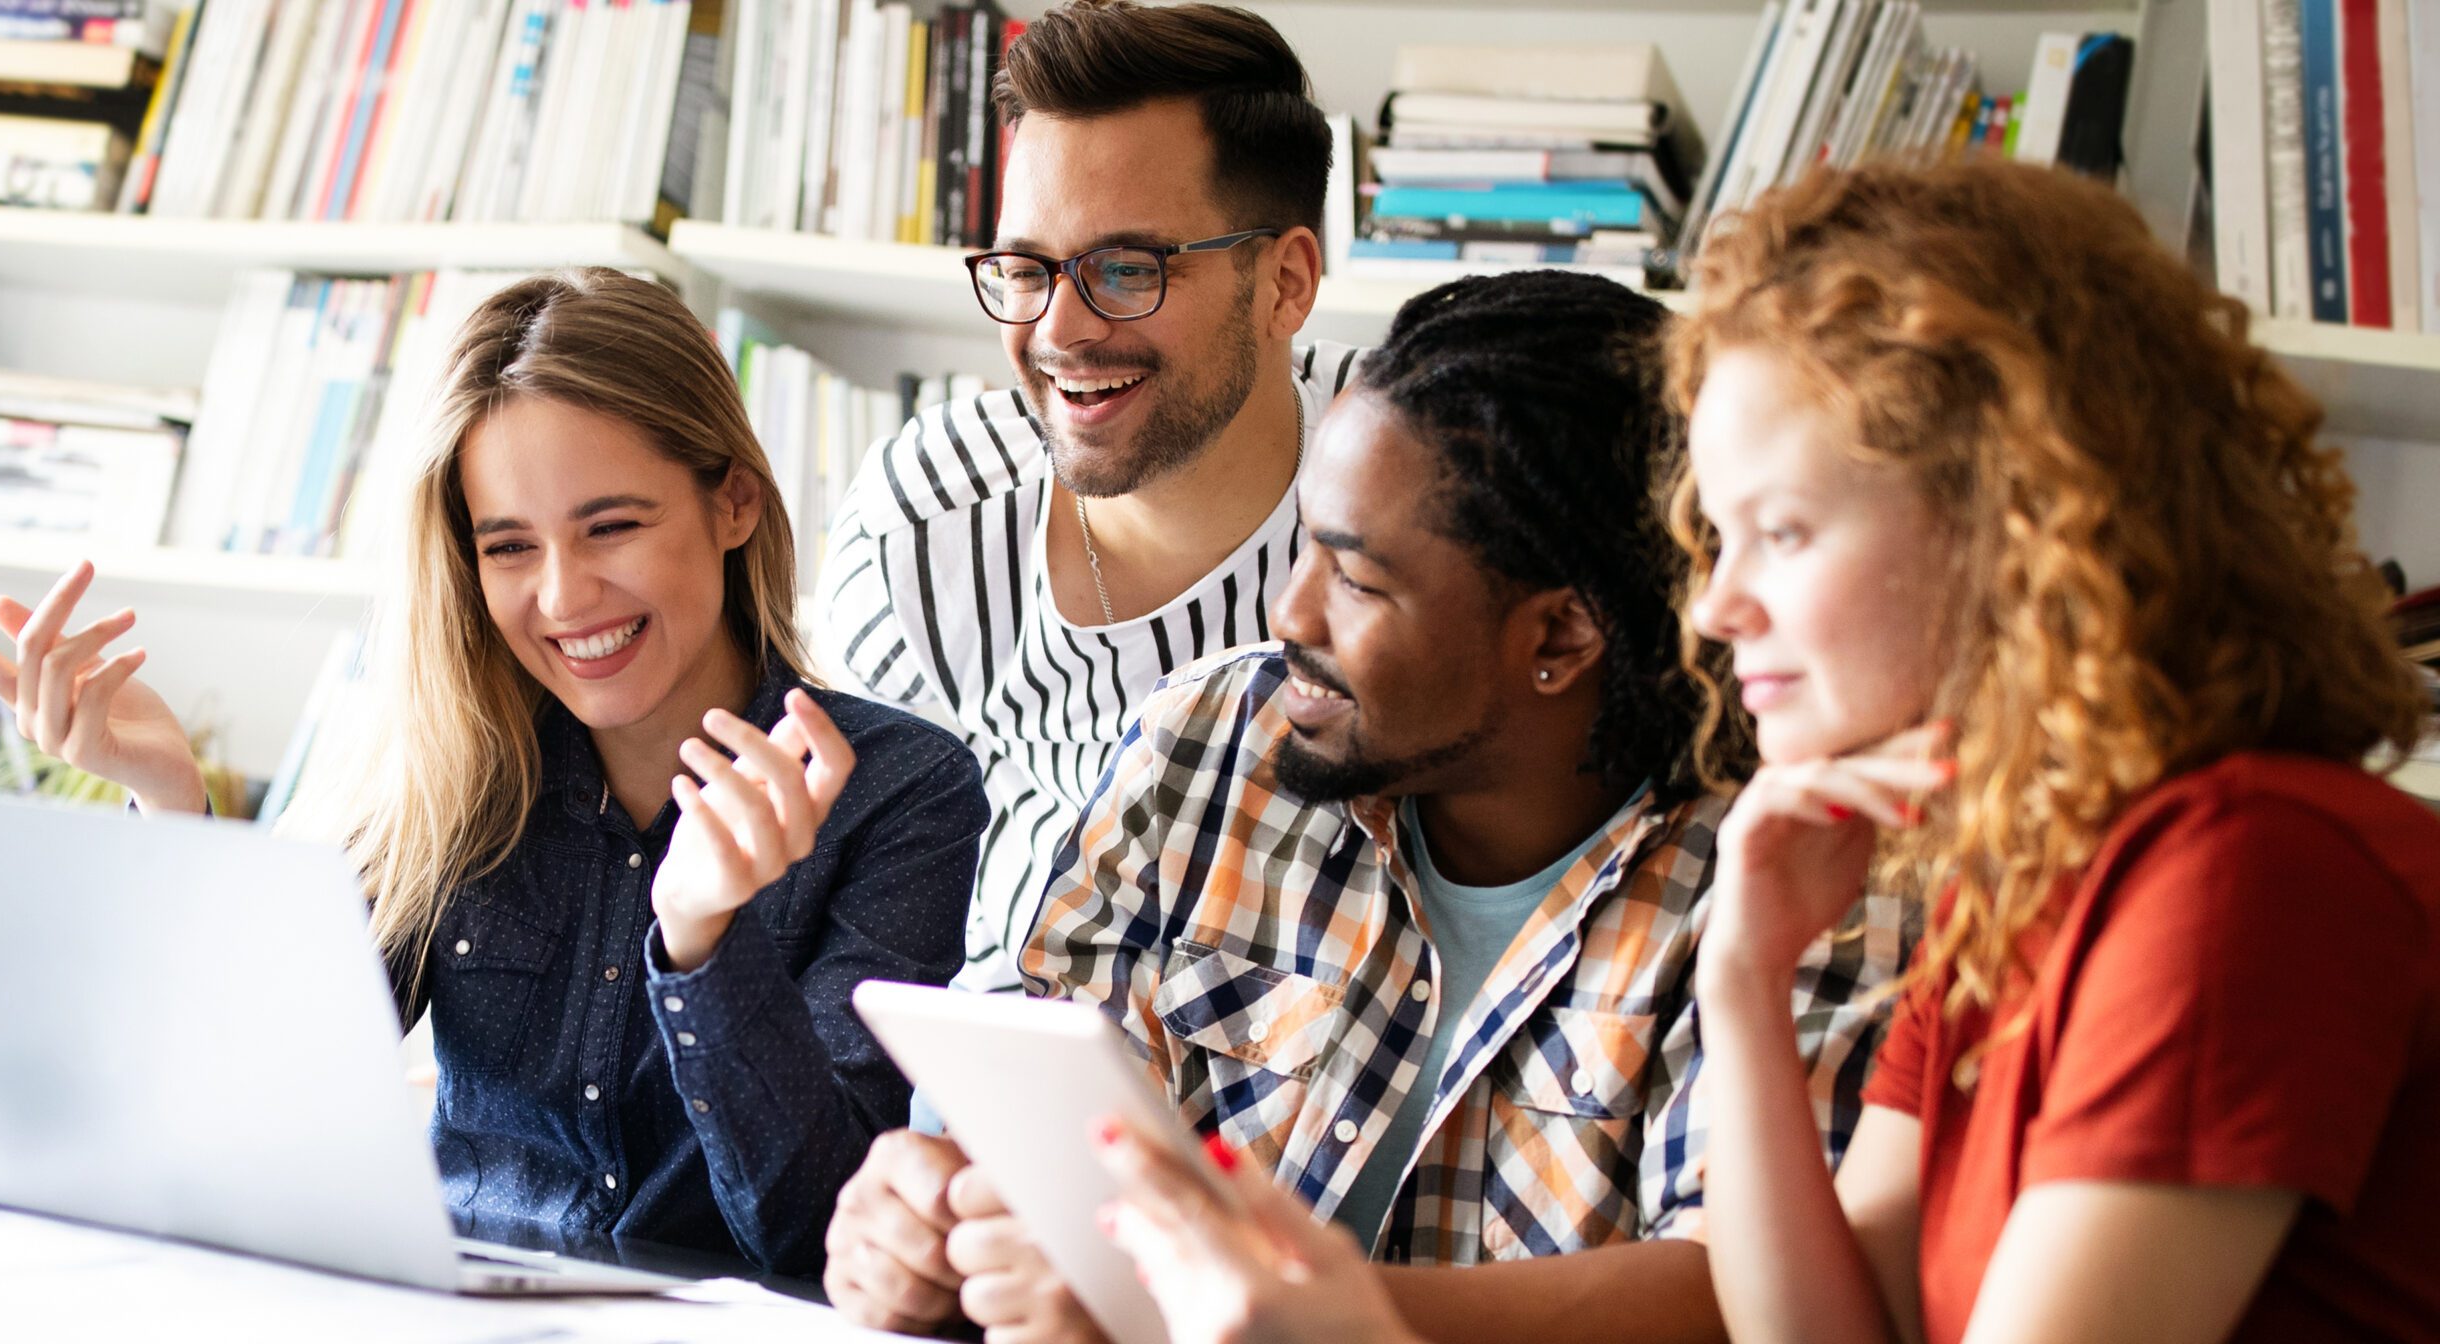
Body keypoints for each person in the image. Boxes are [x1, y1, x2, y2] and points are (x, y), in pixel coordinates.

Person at [1096, 160, 2440, 1344]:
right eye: (1716, 541)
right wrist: (1741, 978)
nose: (1717, 611)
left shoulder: (2247, 873)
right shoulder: (2024, 878)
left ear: (2021, 520)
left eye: (1782, 535)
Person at [823, 271, 1914, 1343]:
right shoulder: (1205, 741)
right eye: (1305, 542)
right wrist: (931, 1213)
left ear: (1558, 639)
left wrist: (1258, 1307)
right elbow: (1031, 1107)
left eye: (1356, 579)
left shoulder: (1788, 868)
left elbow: (1738, 1289)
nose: (1289, 609)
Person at [0, 268, 989, 1276]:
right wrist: (169, 806)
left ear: (734, 505)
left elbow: (818, 1231)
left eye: (611, 526)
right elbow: (240, 1106)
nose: (566, 598)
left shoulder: (903, 791)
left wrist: (700, 943)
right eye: (509, 547)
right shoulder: (455, 759)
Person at [817, 0, 1355, 998]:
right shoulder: (923, 528)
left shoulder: (1427, 482)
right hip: (1005, 1100)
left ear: (1285, 283)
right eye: (1027, 268)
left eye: (1124, 268)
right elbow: (865, 926)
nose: (1060, 330)